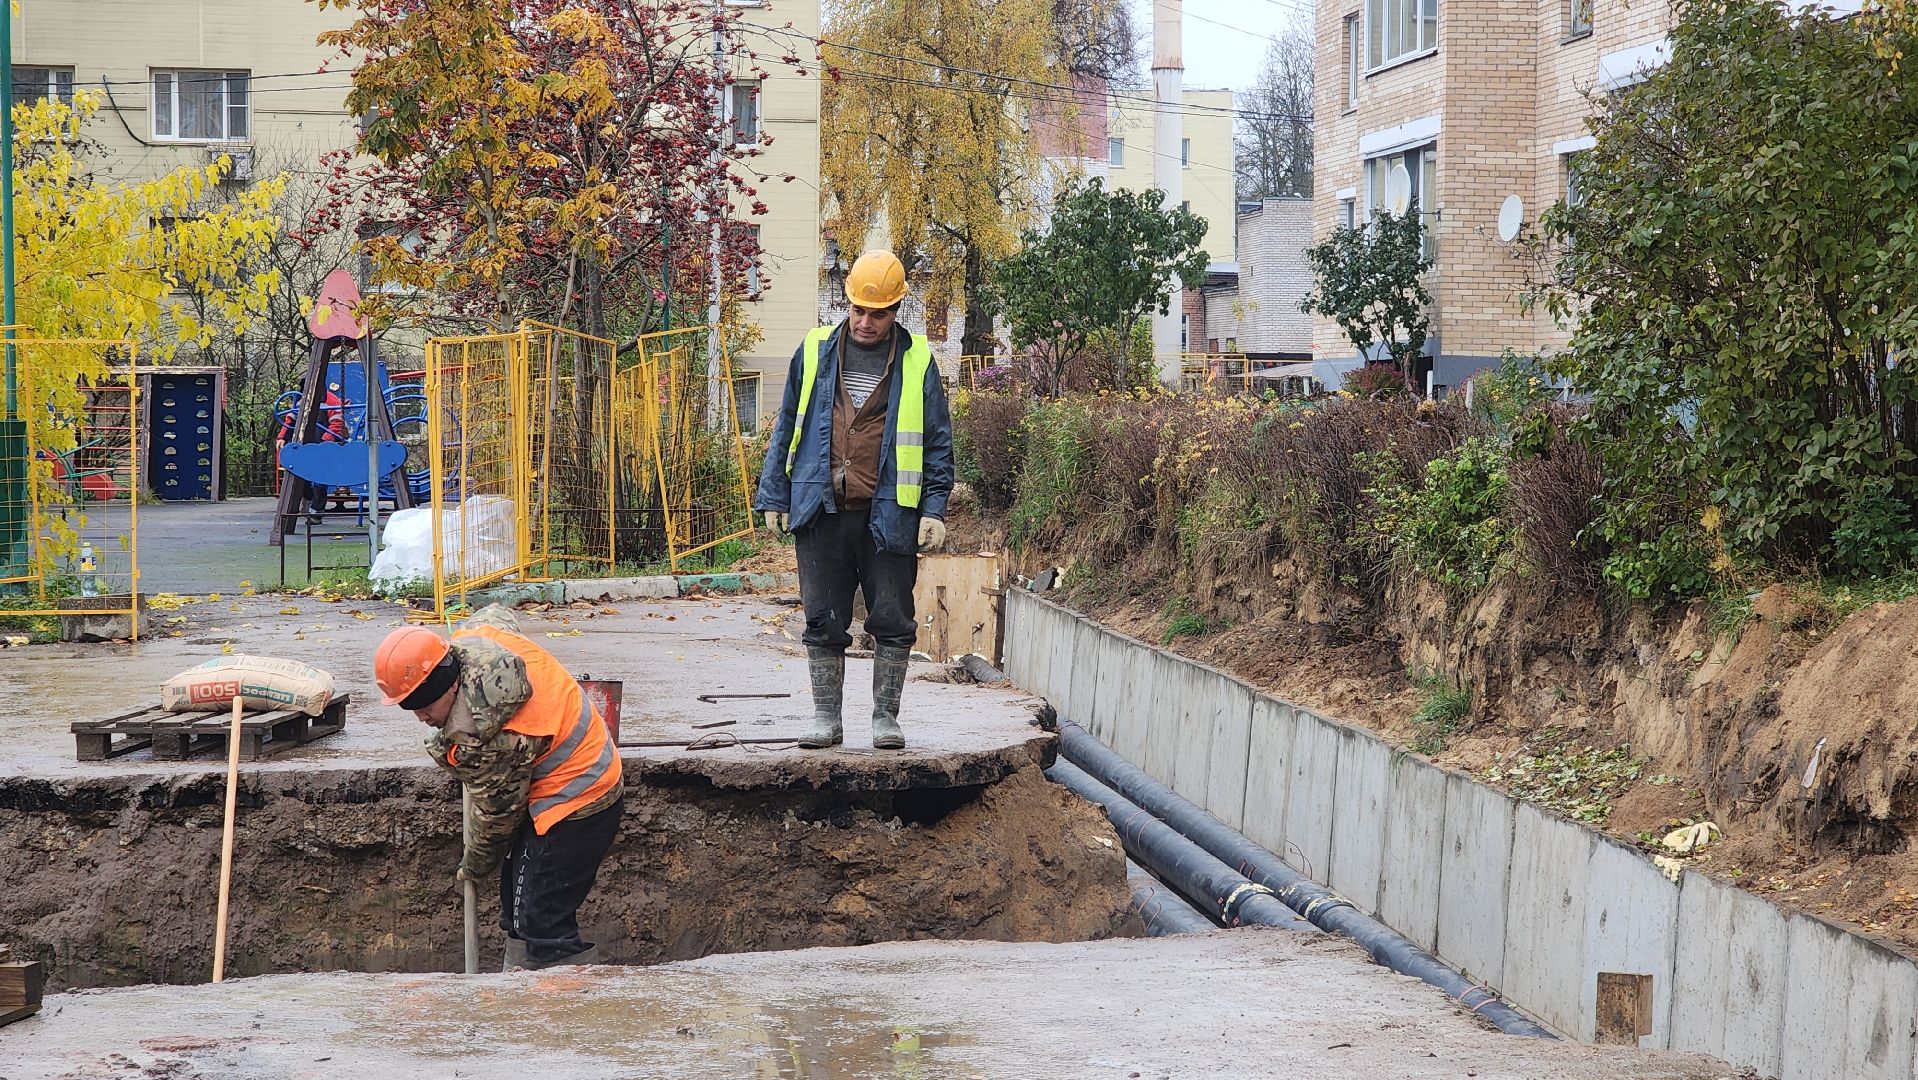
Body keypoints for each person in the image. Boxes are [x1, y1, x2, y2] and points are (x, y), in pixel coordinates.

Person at [754, 249, 954, 751]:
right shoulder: (816, 348)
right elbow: (787, 427)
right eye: (859, 310)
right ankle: (827, 717)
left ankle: (885, 718)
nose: (866, 322)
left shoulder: (918, 360)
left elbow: (937, 440)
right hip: (821, 509)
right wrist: (775, 492)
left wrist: (933, 508)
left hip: (889, 512)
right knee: (822, 616)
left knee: (892, 617)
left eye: (878, 313)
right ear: (847, 304)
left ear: (896, 311)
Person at [373, 605, 624, 970]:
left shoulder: (496, 741)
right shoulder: (474, 638)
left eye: (423, 705)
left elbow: (496, 818)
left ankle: (571, 1012)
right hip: (554, 780)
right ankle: (520, 988)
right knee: (517, 901)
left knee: (541, 920)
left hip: (579, 796)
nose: (420, 717)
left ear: (447, 683)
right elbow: (497, 612)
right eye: (407, 707)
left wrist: (472, 866)